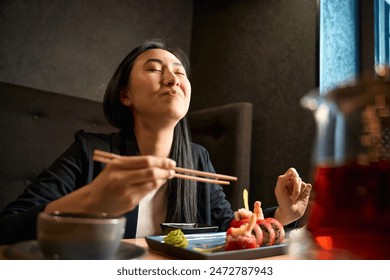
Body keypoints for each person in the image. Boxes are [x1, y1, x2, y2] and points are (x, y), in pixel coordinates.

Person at [0, 39, 312, 244]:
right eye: (153, 69)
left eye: (180, 72)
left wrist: (284, 215)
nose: (173, 79)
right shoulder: (90, 151)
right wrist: (91, 200)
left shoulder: (197, 158)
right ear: (126, 95)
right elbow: (9, 228)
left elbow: (227, 231)